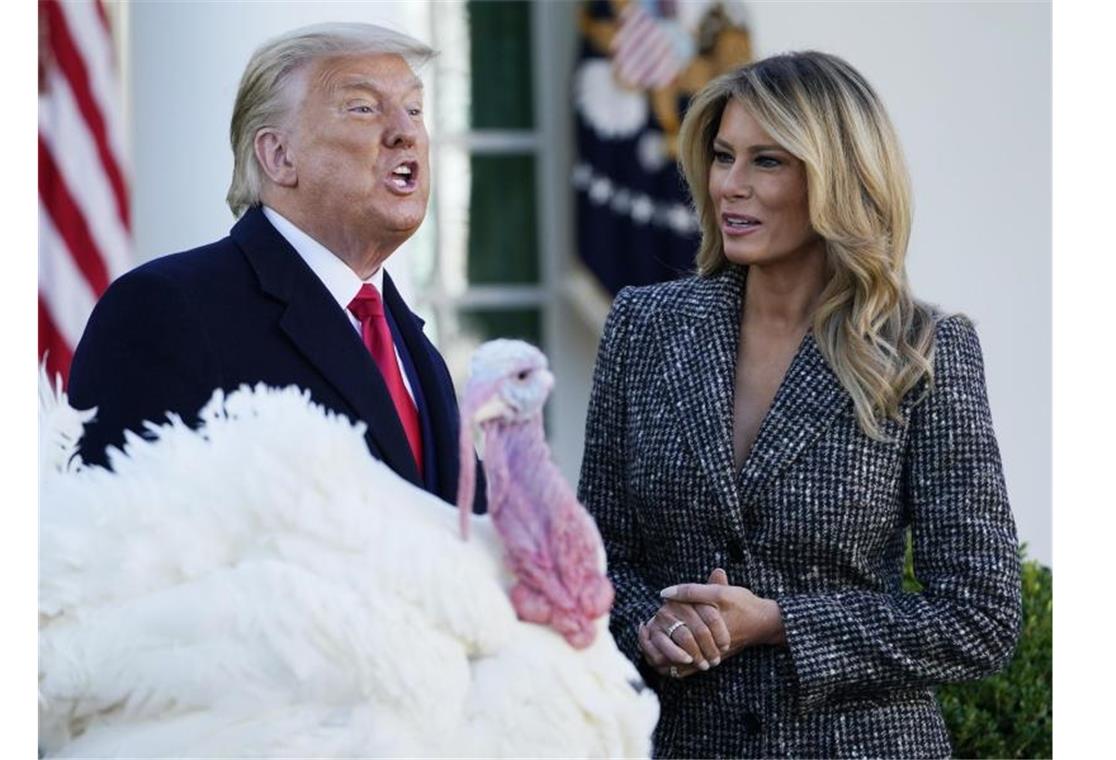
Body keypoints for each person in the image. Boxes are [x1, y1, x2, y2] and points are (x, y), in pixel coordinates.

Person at [578, 51, 1021, 758]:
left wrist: (780, 622)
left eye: (767, 162)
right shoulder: (644, 328)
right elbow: (597, 560)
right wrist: (649, 626)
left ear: (838, 177)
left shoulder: (924, 350)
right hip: (681, 743)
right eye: (723, 157)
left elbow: (980, 618)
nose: (731, 186)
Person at [69, 23, 483, 513]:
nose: (405, 131)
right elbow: (111, 546)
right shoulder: (166, 310)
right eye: (364, 108)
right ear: (279, 156)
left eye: (414, 109)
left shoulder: (410, 344)